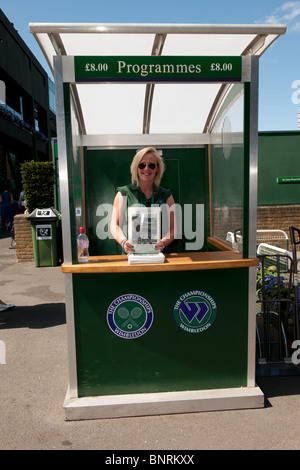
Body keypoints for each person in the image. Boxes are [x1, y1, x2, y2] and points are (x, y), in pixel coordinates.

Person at [110, 147, 175, 254]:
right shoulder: (123, 193)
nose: (146, 168)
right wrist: (124, 242)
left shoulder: (166, 195)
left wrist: (163, 243)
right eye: (142, 165)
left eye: (151, 165)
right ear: (136, 167)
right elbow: (114, 225)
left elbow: (173, 229)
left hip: (159, 255)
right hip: (131, 255)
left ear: (157, 168)